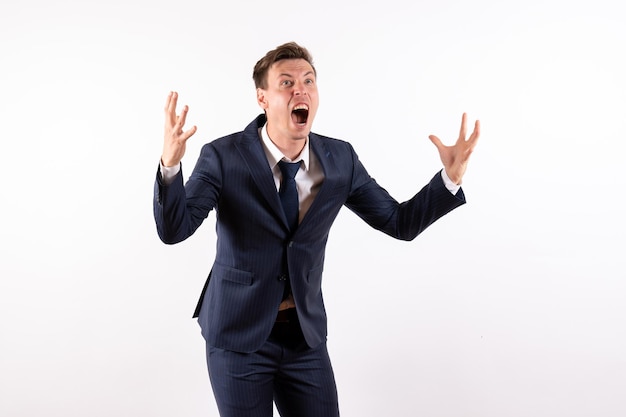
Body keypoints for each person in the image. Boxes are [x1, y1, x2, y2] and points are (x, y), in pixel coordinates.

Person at [153, 41, 480, 417]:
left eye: (308, 81)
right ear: (263, 98)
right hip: (237, 338)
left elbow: (399, 222)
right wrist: (170, 167)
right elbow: (174, 229)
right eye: (286, 83)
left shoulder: (340, 160)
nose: (300, 90)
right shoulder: (223, 156)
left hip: (303, 339)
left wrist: (449, 180)